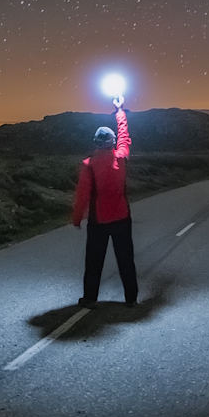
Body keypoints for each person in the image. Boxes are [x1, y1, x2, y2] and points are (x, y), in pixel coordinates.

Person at [70, 95, 137, 307]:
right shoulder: (121, 157)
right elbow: (125, 136)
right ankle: (131, 298)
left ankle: (90, 298)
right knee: (125, 259)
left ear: (96, 142)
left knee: (94, 260)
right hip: (122, 218)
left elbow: (83, 194)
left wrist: (77, 218)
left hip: (98, 222)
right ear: (112, 142)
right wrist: (120, 110)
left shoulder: (88, 164)